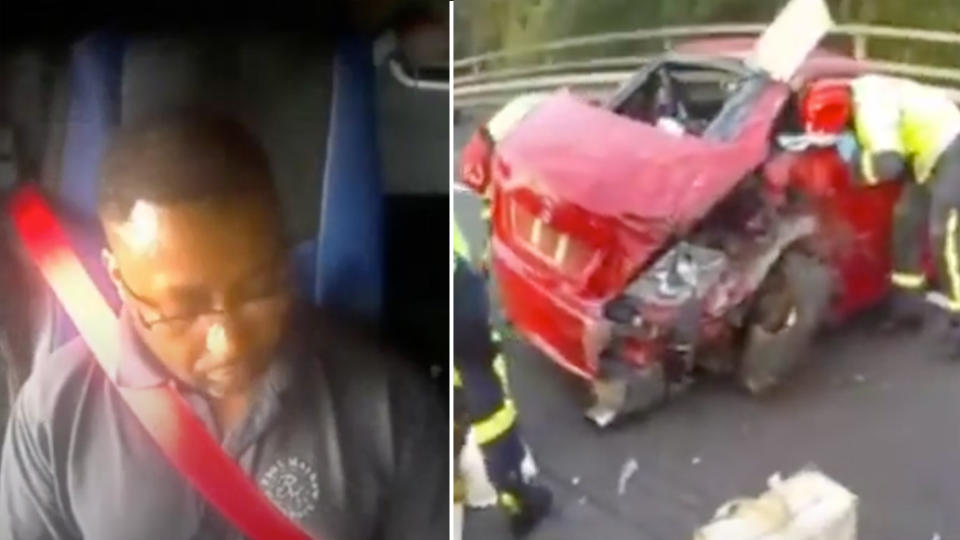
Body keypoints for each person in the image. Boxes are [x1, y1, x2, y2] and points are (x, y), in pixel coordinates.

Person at [0, 111, 447, 539]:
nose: (228, 343)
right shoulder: (52, 412)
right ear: (117, 276)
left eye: (258, 291)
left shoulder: (393, 409)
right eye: (183, 309)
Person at [802, 75, 960, 336]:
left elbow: (889, 165)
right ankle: (907, 304)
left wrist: (854, 171)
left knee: (943, 233)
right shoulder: (856, 93)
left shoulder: (872, 112)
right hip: (926, 157)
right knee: (905, 221)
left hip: (953, 148)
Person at [452, 218, 551, 538]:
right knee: (489, 407)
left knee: (454, 394)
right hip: (457, 293)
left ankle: (450, 470)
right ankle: (518, 498)